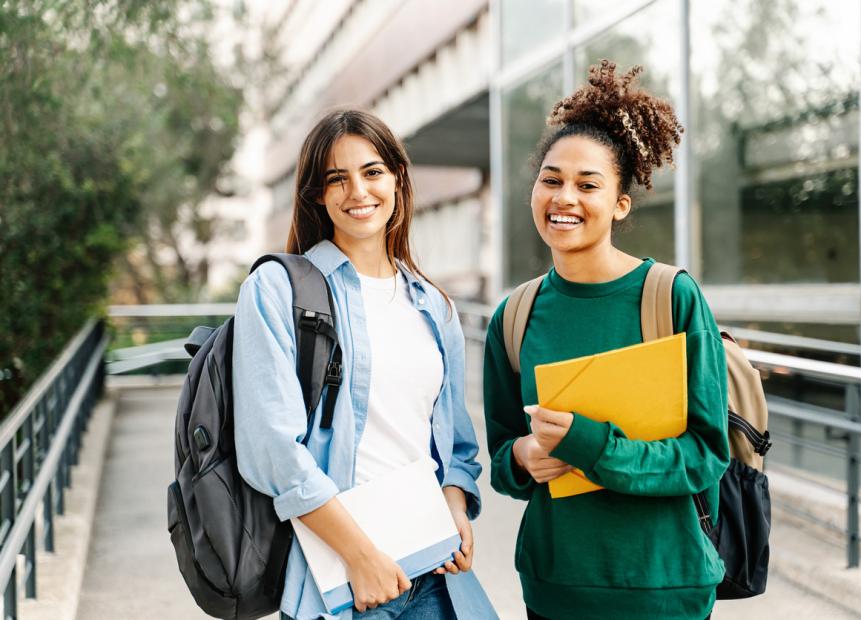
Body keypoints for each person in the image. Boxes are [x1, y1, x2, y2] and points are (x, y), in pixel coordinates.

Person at [483, 60, 729, 620]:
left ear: (620, 204)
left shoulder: (671, 297)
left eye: (587, 184)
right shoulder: (514, 315)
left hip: (664, 589)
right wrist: (522, 457)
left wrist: (593, 447)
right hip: (554, 590)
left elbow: (706, 455)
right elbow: (501, 457)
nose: (564, 197)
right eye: (551, 179)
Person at [232, 109, 496, 620]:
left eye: (372, 172)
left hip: (438, 576)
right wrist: (360, 555)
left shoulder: (432, 305)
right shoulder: (278, 289)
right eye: (337, 178)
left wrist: (457, 505)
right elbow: (272, 450)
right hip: (344, 585)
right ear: (317, 195)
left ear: (397, 178)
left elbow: (455, 441)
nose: (358, 191)